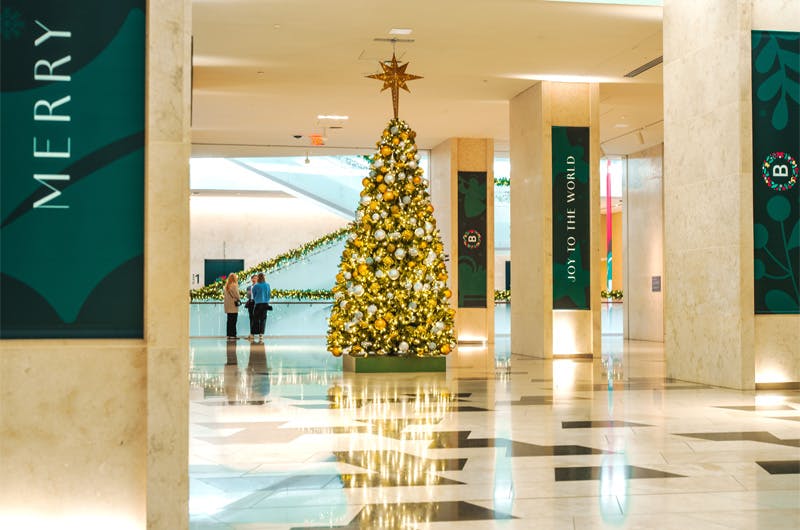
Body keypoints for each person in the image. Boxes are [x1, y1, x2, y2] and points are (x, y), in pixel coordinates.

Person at [250, 272, 271, 341]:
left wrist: (257, 299)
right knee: (263, 319)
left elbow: (254, 294)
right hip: (265, 304)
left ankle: (253, 334)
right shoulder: (267, 285)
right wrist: (266, 300)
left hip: (258, 304)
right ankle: (261, 334)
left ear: (258, 278)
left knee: (255, 319)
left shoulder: (256, 285)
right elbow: (269, 295)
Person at [223, 273, 241, 339]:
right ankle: (233, 335)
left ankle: (228, 335)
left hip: (228, 306)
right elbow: (237, 295)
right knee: (234, 321)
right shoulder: (234, 285)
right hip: (233, 306)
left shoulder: (226, 286)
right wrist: (239, 298)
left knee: (229, 321)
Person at [246, 275, 257, 340]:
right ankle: (252, 333)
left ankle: (258, 333)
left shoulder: (259, 287)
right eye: (253, 278)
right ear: (251, 279)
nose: (254, 279)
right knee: (251, 318)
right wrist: (249, 294)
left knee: (257, 318)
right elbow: (248, 296)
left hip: (257, 303)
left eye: (255, 278)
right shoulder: (249, 287)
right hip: (250, 303)